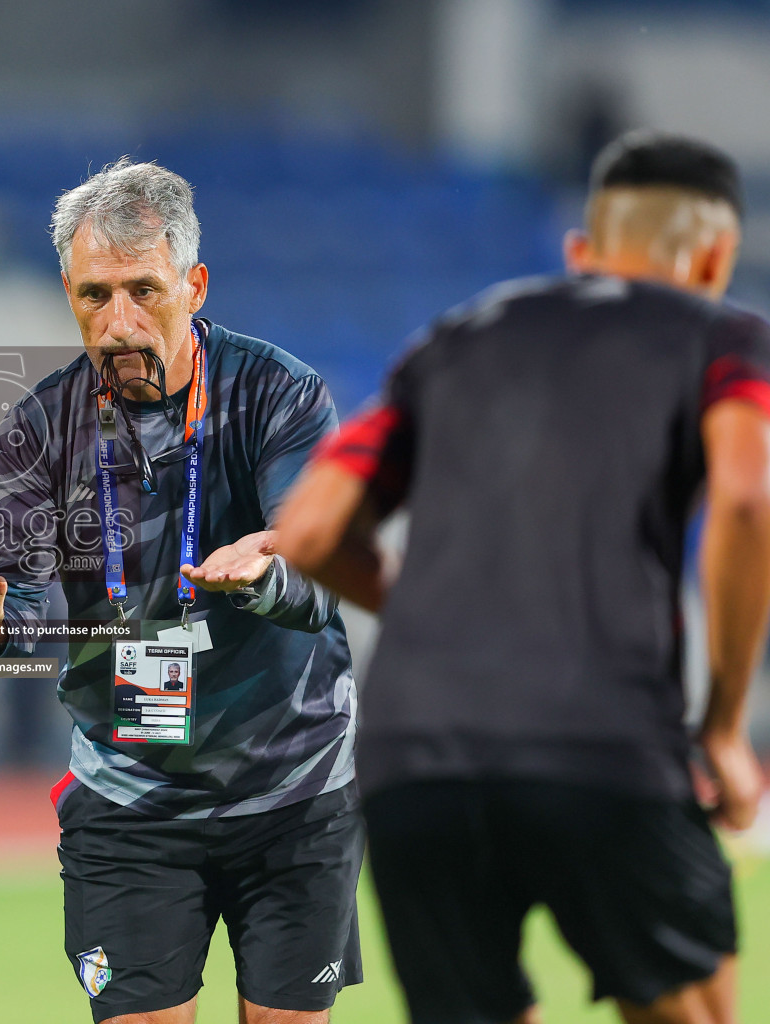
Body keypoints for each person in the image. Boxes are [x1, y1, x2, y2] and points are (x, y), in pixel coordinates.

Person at [275, 131, 770, 1024]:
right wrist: (727, 729)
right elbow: (746, 496)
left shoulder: (456, 339)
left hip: (412, 754)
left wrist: (445, 616)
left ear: (580, 254)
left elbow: (307, 531)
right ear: (716, 256)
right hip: (604, 739)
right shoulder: (722, 334)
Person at [0, 159, 360, 1023]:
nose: (117, 323)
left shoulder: (278, 395)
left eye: (142, 290)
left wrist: (264, 579)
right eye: (92, 295)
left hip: (291, 788)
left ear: (194, 283)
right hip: (132, 796)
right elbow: (21, 610)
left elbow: (320, 578)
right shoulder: (36, 430)